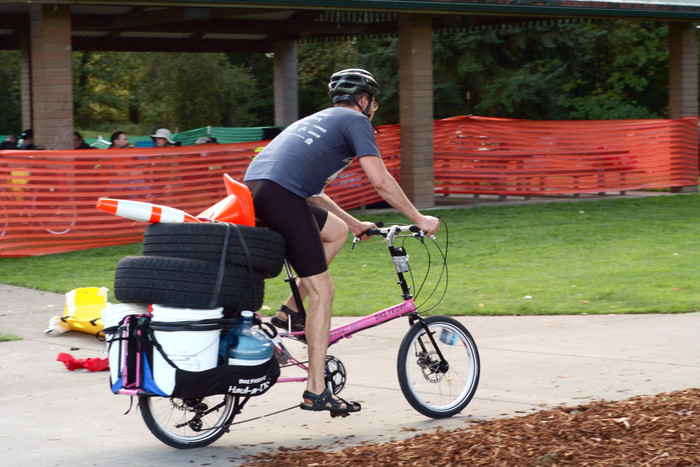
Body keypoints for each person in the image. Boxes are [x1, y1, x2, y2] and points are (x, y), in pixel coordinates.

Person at [243, 69, 440, 416]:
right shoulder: (355, 121)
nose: (373, 110)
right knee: (324, 292)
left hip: (257, 190)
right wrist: (419, 219)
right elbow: (380, 181)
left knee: (335, 231)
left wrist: (354, 224)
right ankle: (317, 391)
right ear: (364, 101)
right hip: (282, 196)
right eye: (374, 104)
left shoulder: (318, 119)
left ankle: (289, 314)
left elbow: (314, 193)